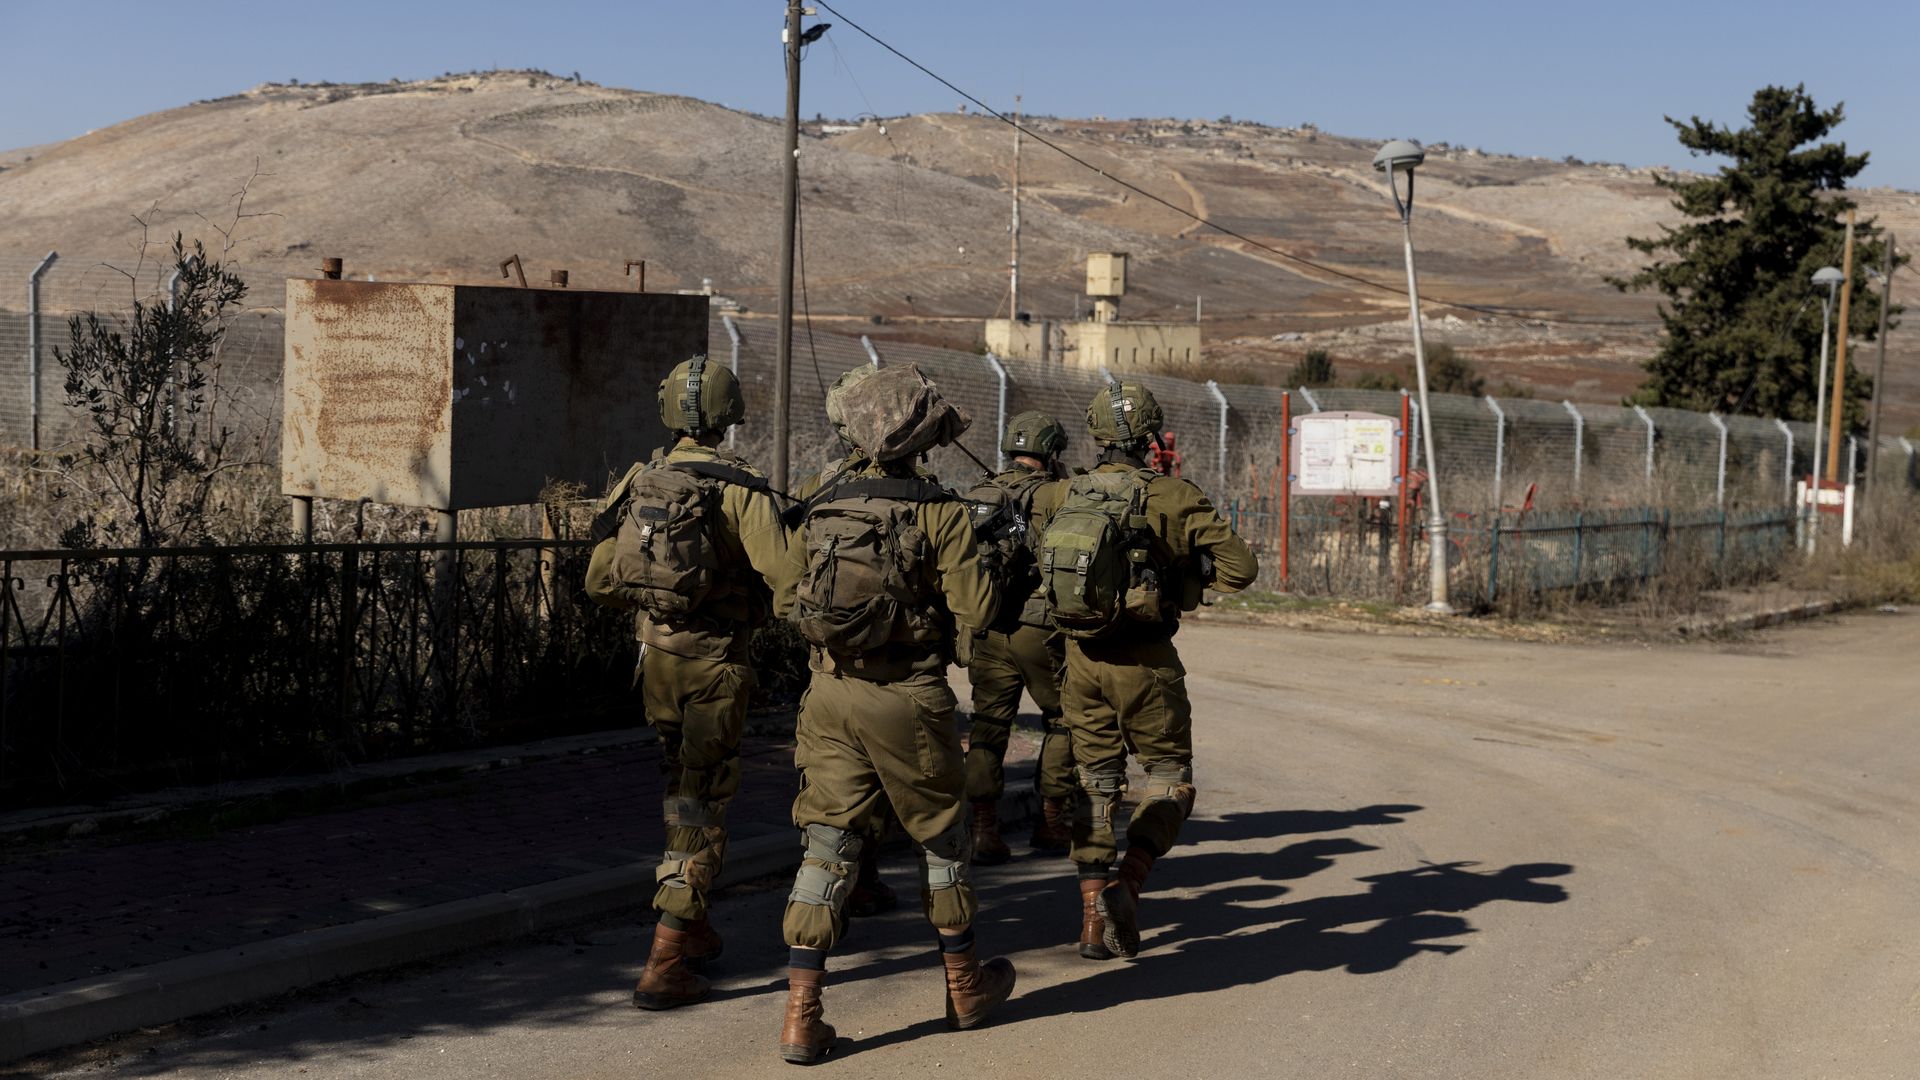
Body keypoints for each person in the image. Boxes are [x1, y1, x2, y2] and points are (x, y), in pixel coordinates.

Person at [774, 363, 1016, 1064]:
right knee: (942, 840)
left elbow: (787, 601)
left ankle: (801, 1016)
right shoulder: (938, 509)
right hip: (909, 696)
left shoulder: (821, 503)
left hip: (828, 696)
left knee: (826, 845)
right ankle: (965, 987)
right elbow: (979, 611)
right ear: (921, 437)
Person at [584, 355, 795, 1010]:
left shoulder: (644, 479)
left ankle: (694, 923)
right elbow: (789, 585)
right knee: (703, 807)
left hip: (656, 663)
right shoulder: (743, 489)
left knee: (683, 793)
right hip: (714, 669)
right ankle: (666, 957)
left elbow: (598, 579)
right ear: (729, 418)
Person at [1029, 381, 1258, 961]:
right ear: (1151, 435)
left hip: (1080, 659)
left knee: (1096, 780)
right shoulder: (1176, 496)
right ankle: (1128, 883)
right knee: (1168, 774)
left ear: (1097, 432)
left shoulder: (1060, 494)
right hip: (1147, 661)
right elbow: (1241, 570)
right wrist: (1190, 571)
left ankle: (1088, 924)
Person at [959, 411, 1079, 862]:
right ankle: (1052, 823)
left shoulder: (979, 493)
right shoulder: (1056, 494)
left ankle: (984, 831)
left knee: (988, 724)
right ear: (1050, 453)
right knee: (1062, 719)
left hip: (988, 624)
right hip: (1038, 627)